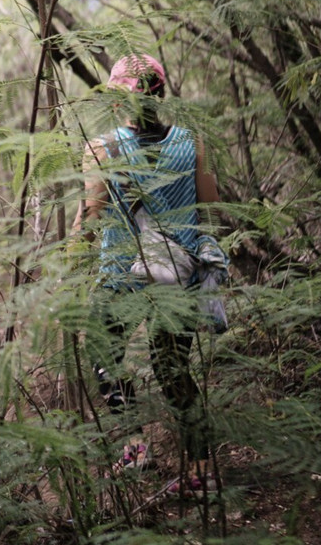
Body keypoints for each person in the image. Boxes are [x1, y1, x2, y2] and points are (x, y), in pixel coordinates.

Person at [73, 54, 218, 490]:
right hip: (180, 271)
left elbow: (90, 220)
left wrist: (68, 270)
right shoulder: (190, 142)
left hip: (122, 273)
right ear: (162, 94)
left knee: (103, 354)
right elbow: (209, 210)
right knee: (172, 367)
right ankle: (201, 472)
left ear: (120, 98)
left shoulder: (102, 147)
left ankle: (135, 449)